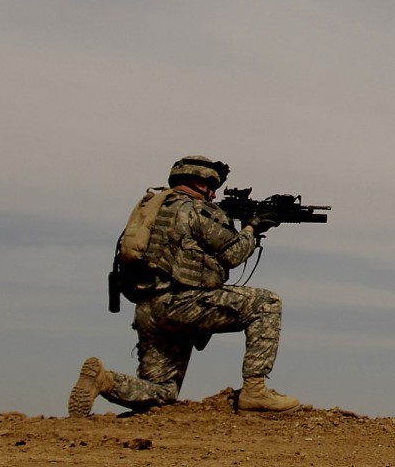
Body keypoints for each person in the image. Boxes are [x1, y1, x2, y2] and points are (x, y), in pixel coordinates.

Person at [70, 155, 300, 415]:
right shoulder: (195, 210)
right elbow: (232, 254)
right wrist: (251, 229)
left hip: (149, 309)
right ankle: (255, 391)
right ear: (197, 183)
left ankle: (105, 380)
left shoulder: (152, 209)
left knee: (162, 391)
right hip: (183, 303)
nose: (213, 195)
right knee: (266, 303)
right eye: (211, 187)